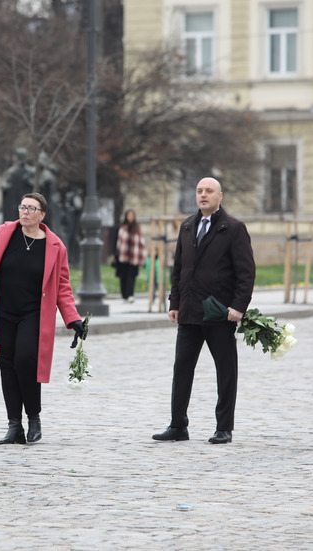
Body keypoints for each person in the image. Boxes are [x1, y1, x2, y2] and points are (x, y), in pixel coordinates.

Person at [153, 177, 255, 445]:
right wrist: (174, 302)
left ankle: (224, 427)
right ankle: (178, 425)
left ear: (220, 196)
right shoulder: (188, 226)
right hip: (188, 311)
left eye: (209, 191)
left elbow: (246, 272)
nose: (203, 195)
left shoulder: (233, 228)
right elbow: (179, 268)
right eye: (199, 191)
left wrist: (239, 307)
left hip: (219, 313)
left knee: (225, 370)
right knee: (182, 368)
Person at [0, 192, 87, 445]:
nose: (25, 211)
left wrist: (72, 319)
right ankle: (14, 425)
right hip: (3, 311)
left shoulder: (55, 246)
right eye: (22, 206)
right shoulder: (4, 232)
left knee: (26, 360)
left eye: (31, 208)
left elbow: (62, 286)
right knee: (7, 365)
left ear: (42, 214)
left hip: (33, 314)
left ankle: (34, 417)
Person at [115, 209, 147, 304]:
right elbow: (119, 242)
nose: (130, 217)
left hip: (134, 256)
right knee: (123, 276)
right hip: (123, 256)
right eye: (129, 215)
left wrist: (143, 254)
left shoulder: (137, 228)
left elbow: (141, 242)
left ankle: (130, 295)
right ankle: (124, 295)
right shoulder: (122, 227)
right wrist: (116, 254)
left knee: (131, 276)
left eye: (132, 215)